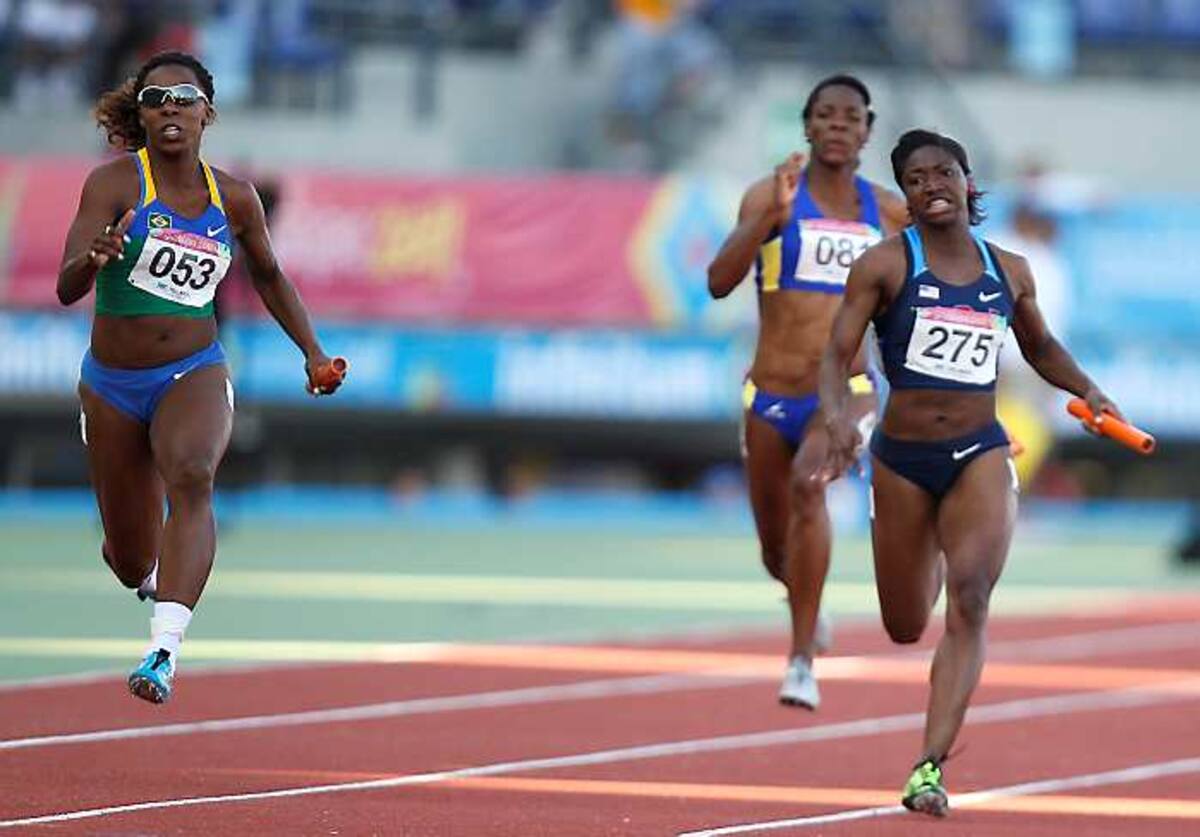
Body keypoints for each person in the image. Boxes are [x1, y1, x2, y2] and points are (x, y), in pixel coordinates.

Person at [816, 128, 1120, 816]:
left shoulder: (1008, 268)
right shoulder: (884, 266)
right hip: (901, 459)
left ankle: (928, 766)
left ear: (967, 181)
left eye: (943, 173)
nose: (933, 186)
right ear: (907, 196)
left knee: (973, 597)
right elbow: (836, 354)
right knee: (902, 623)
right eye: (917, 179)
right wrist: (837, 416)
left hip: (981, 449)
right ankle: (921, 551)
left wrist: (1089, 390)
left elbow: (1040, 346)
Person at [56, 50, 343, 704]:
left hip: (193, 369)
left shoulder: (233, 199)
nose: (170, 109)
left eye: (184, 97)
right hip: (112, 384)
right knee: (129, 557)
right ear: (142, 114)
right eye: (156, 100)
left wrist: (313, 353)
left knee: (192, 473)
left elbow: (268, 274)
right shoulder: (114, 186)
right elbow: (67, 283)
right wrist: (93, 259)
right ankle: (147, 568)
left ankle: (164, 648)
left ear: (206, 112)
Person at [706, 75, 907, 709]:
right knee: (774, 548)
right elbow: (717, 281)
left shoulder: (890, 214)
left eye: (852, 116)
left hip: (844, 392)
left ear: (868, 132)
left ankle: (800, 664)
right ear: (808, 126)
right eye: (827, 115)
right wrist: (771, 216)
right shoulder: (770, 197)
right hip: (770, 392)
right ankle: (805, 600)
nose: (839, 125)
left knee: (807, 485)